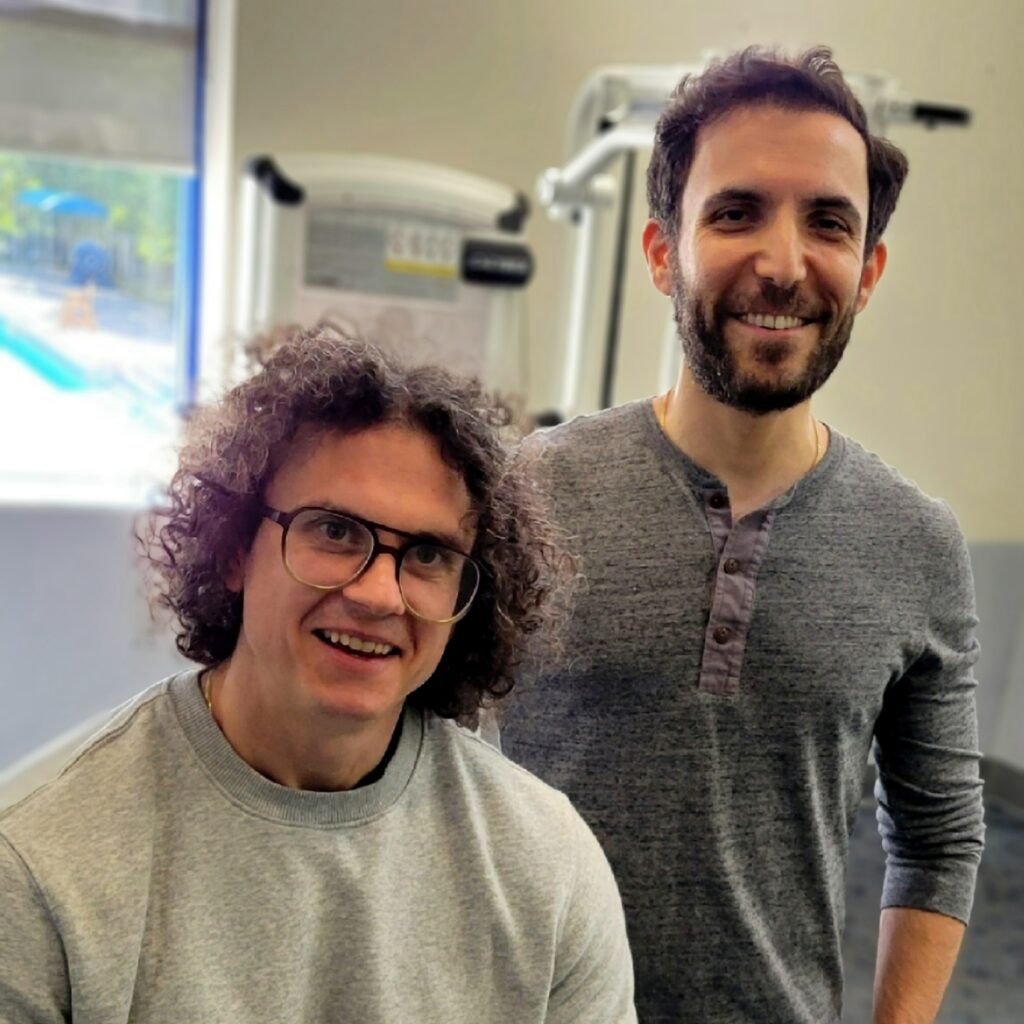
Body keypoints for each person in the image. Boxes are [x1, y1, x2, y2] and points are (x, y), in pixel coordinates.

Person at [501, 45, 984, 1024]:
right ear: (660, 251)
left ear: (867, 271)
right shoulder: (528, 491)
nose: (781, 260)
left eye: (827, 222)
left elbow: (937, 836)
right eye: (735, 212)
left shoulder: (918, 545)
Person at [0, 327, 637, 1023]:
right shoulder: (43, 869)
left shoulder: (545, 864)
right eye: (335, 532)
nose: (380, 595)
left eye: (427, 554)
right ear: (235, 547)